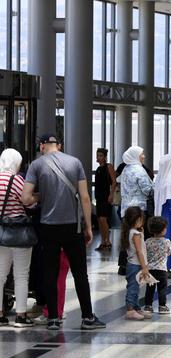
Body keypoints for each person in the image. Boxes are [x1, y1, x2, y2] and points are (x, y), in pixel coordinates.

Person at [21, 133, 105, 330]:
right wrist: (88, 227)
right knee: (80, 273)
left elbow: (25, 198)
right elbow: (85, 197)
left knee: (50, 273)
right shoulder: (75, 162)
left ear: (42, 146)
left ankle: (53, 318)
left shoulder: (36, 165)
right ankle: (87, 317)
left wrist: (42, 196)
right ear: (58, 145)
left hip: (48, 227)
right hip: (72, 227)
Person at [0, 149, 34, 327]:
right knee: (21, 275)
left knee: (0, 275)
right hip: (20, 232)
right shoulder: (18, 180)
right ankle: (21, 315)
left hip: (1, 233)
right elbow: (28, 201)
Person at [118, 146, 153, 276]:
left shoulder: (126, 169)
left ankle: (123, 265)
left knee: (126, 237)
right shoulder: (139, 170)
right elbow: (147, 189)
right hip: (138, 208)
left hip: (126, 208)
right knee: (139, 237)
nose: (143, 156)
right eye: (142, 154)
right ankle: (140, 263)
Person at [120, 206, 152, 321]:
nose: (142, 222)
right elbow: (139, 251)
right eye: (140, 220)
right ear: (135, 220)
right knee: (133, 288)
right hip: (136, 265)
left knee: (135, 287)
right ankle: (130, 310)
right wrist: (144, 267)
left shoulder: (130, 232)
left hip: (132, 264)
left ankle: (136, 308)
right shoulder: (136, 234)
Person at [143, 216, 171, 315]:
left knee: (149, 289)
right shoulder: (167, 241)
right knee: (162, 289)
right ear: (163, 230)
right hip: (162, 270)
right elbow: (169, 252)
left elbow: (144, 253)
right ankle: (162, 306)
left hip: (150, 269)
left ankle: (148, 306)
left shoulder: (147, 242)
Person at [94, 148, 116, 250]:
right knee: (99, 219)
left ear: (105, 157)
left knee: (103, 219)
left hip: (106, 196)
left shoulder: (109, 167)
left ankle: (108, 241)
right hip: (99, 197)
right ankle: (103, 241)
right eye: (98, 155)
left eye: (101, 155)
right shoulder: (98, 169)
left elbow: (114, 182)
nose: (99, 157)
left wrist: (111, 195)